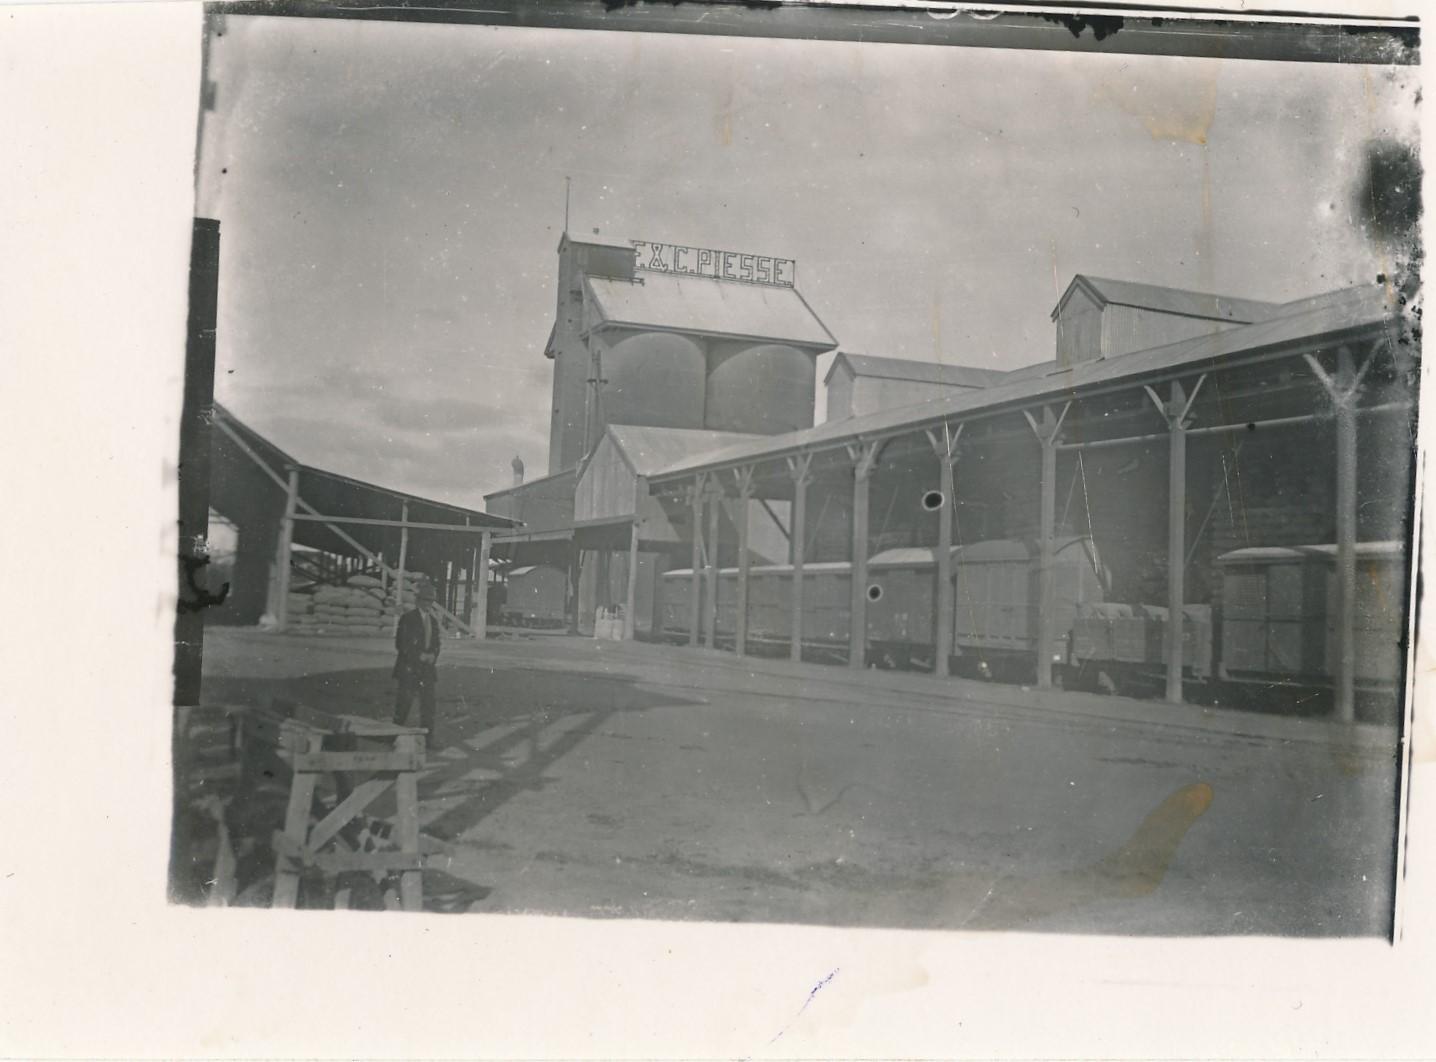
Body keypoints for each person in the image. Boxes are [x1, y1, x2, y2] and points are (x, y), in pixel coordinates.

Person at [392, 580, 442, 742]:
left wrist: (433, 655)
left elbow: (436, 643)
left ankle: (428, 739)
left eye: (431, 601)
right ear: (418, 600)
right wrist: (418, 655)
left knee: (429, 705)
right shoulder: (408, 619)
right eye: (426, 600)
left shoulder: (433, 622)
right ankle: (393, 734)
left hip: (427, 669)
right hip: (409, 668)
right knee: (404, 704)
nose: (428, 604)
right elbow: (401, 644)